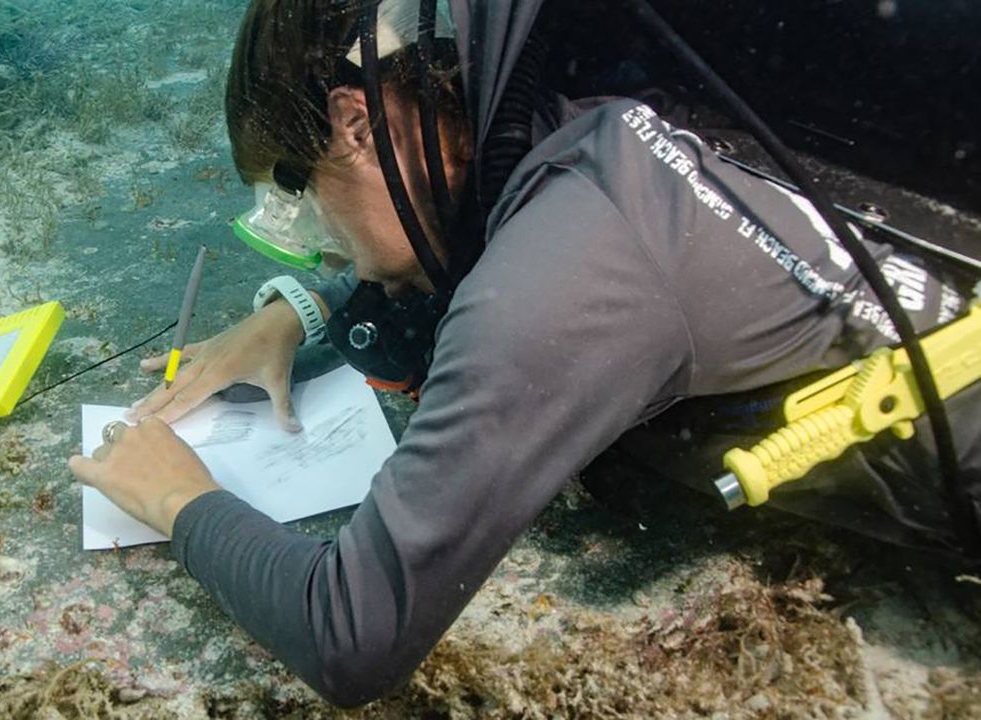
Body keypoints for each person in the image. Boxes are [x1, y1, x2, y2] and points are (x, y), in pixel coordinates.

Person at [67, 0, 981, 707]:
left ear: (354, 124)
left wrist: (180, 499)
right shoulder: (549, 68)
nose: (316, 243)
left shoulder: (564, 278)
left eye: (299, 205)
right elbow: (451, 224)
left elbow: (351, 634)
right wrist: (300, 311)